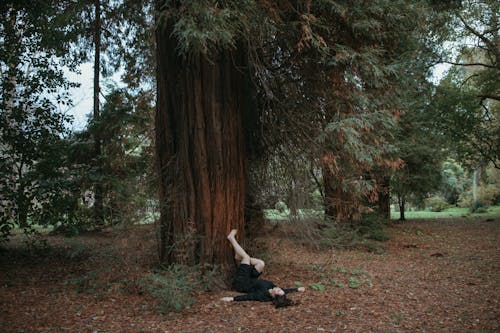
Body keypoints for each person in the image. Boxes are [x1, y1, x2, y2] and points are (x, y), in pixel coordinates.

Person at [220, 229, 305, 308]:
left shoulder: (262, 295)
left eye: (279, 291)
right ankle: (240, 257)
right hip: (251, 279)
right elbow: (285, 290)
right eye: (280, 290)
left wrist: (233, 299)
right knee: (261, 263)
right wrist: (297, 289)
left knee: (246, 257)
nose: (279, 289)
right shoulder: (274, 289)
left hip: (241, 282)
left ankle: (231, 238)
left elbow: (249, 297)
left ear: (274, 295)